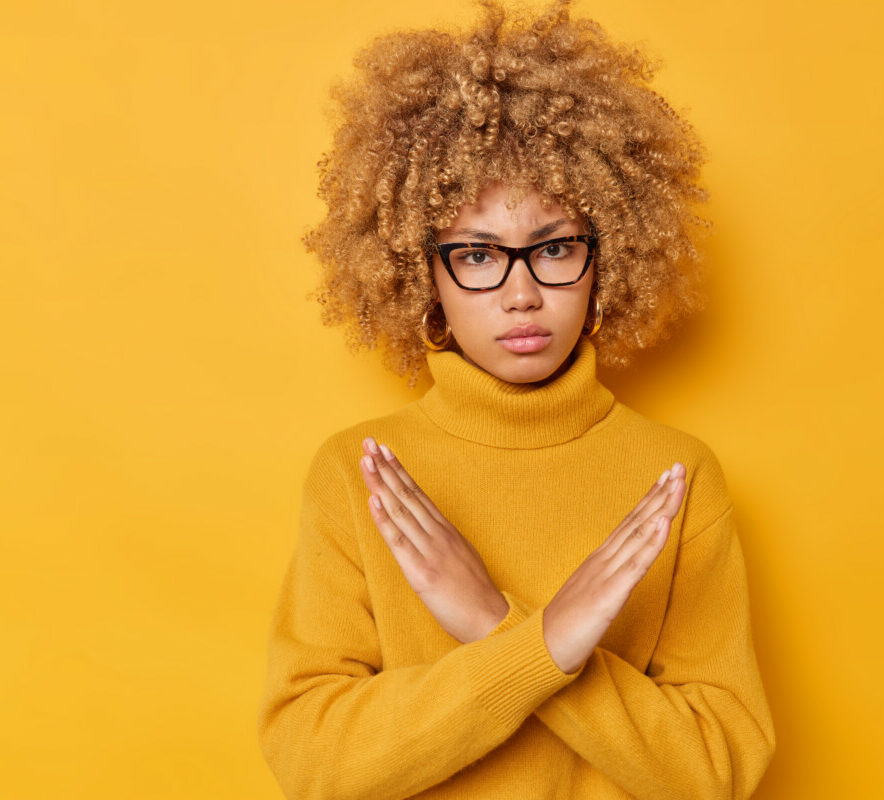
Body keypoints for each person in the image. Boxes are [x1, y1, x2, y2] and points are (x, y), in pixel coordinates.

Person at [257, 1, 776, 798]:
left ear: (611, 253)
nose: (522, 292)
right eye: (474, 254)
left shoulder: (675, 478)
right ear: (418, 268)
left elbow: (719, 770)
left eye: (556, 246)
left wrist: (496, 626)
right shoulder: (360, 474)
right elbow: (311, 761)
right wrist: (539, 644)